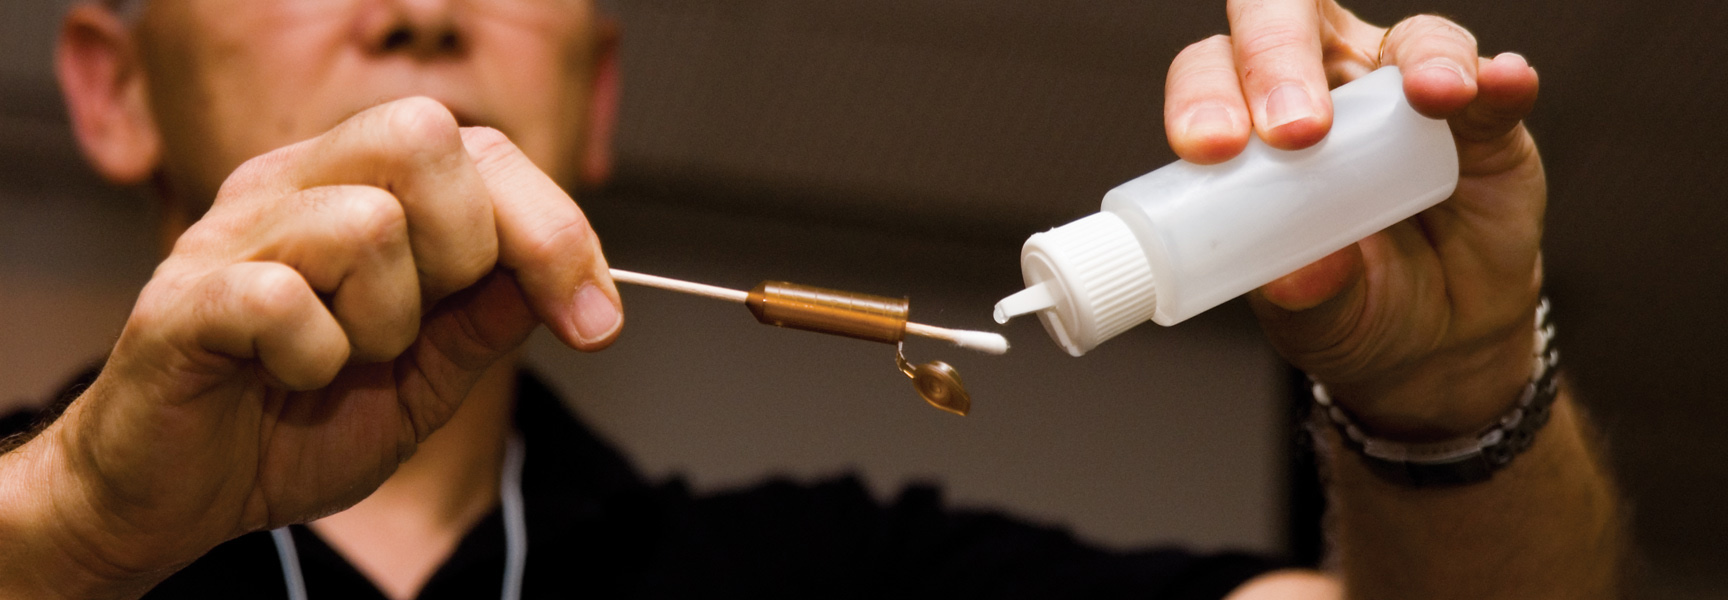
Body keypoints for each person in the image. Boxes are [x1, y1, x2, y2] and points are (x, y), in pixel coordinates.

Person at [0, 0, 1622, 598]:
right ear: (109, 84)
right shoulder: (36, 509)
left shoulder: (831, 572)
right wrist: (69, 533)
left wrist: (1457, 387)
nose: (426, 13)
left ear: (598, 92)